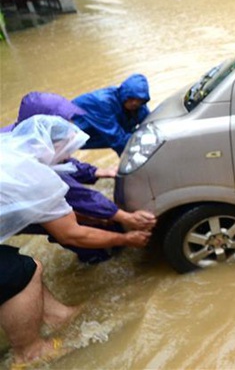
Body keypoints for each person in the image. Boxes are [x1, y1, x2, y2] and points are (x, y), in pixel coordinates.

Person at [0, 115, 151, 367]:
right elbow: (72, 233)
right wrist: (127, 238)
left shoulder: (10, 146)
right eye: (68, 151)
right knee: (20, 272)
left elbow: (53, 211)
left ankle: (58, 316)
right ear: (52, 148)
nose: (69, 158)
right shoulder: (36, 178)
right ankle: (30, 352)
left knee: (31, 267)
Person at [1, 92, 156, 263]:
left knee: (75, 216)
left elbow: (61, 162)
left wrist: (95, 171)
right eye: (68, 147)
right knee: (36, 263)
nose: (70, 155)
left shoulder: (20, 136)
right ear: (47, 140)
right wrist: (125, 228)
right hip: (12, 209)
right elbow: (73, 217)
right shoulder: (33, 176)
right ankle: (96, 258)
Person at [72, 74, 151, 156]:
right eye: (131, 98)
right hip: (78, 129)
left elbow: (149, 124)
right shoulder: (103, 102)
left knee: (138, 136)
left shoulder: (139, 107)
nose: (134, 103)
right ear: (125, 94)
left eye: (139, 100)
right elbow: (117, 140)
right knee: (126, 141)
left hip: (103, 128)